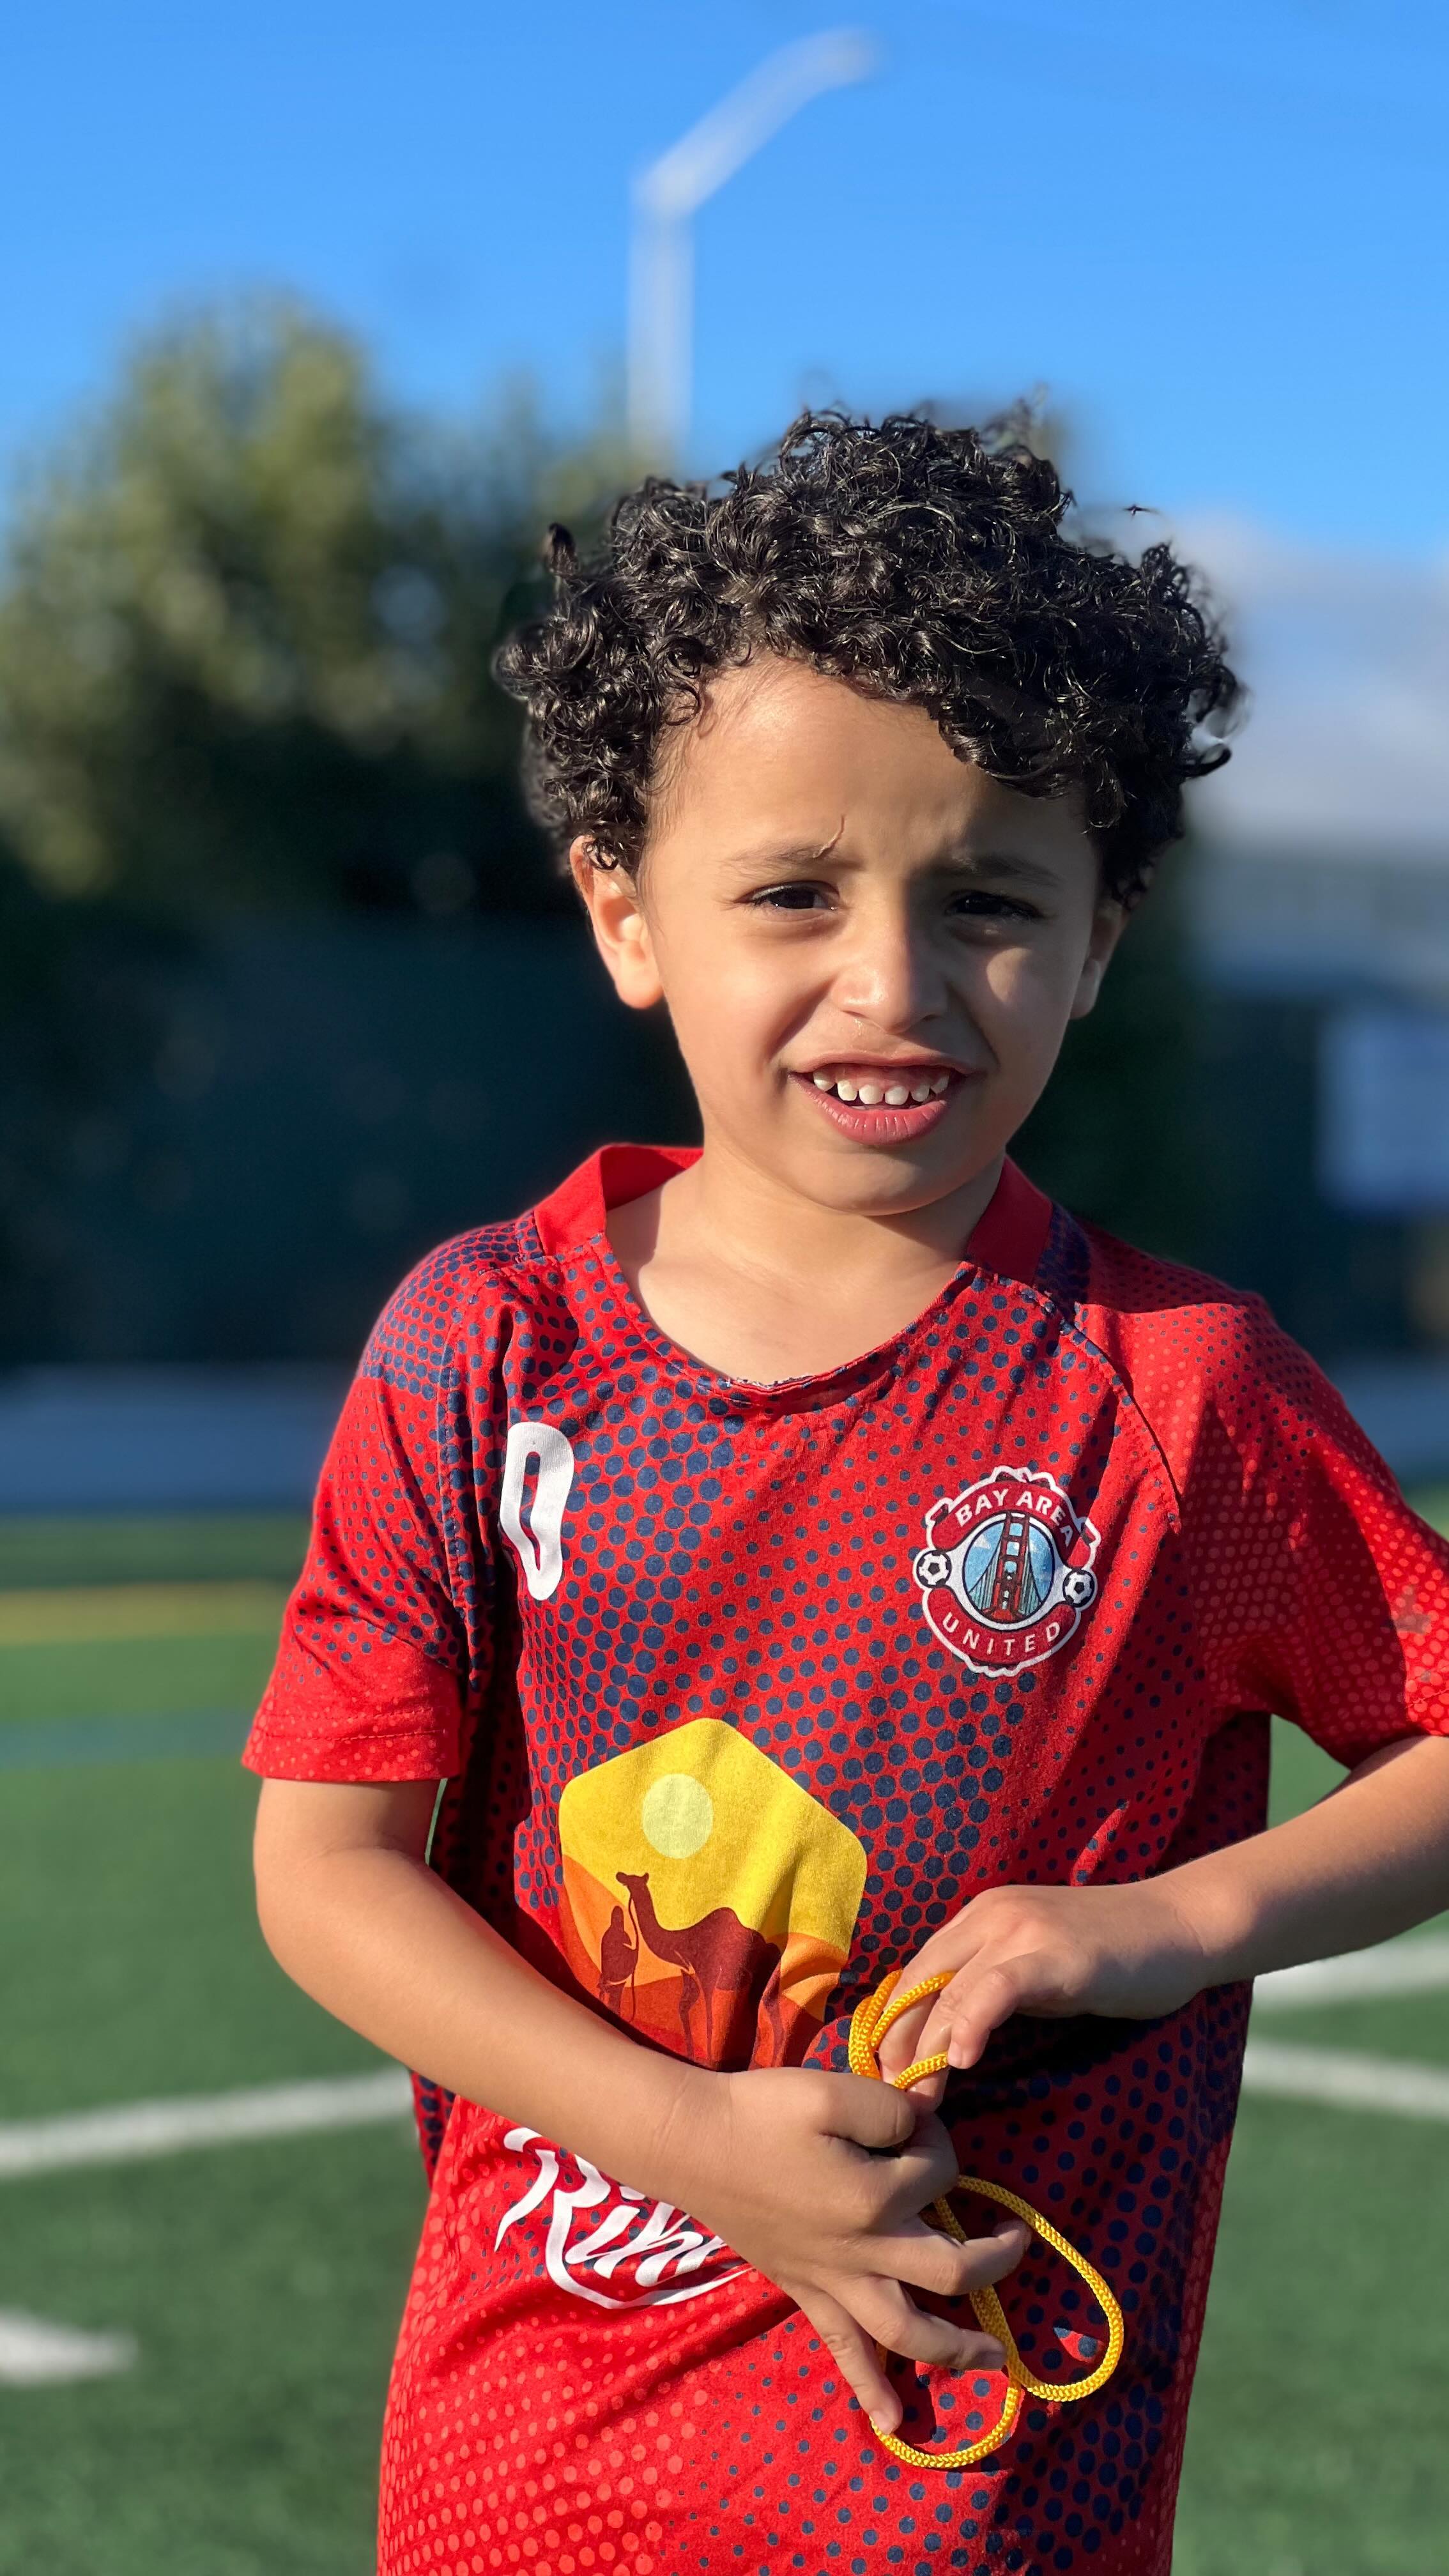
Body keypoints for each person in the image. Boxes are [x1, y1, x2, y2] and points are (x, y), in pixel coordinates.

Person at [246, 411, 1449, 2576]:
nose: (890, 985)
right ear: (626, 913)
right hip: (525, 2476)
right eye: (792, 891)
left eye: (986, 901)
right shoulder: (478, 1344)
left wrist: (1170, 1925)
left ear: (1098, 937)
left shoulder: (1182, 1393)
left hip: (972, 2498)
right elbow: (326, 1871)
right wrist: (687, 2138)